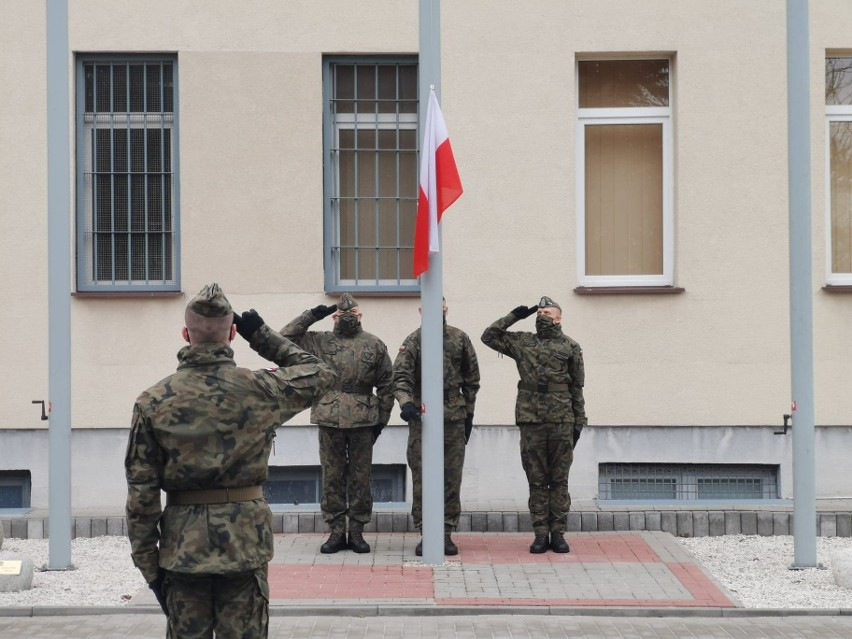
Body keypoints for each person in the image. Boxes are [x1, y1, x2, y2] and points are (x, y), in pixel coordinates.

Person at [125, 283, 336, 639]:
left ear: (185, 333)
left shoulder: (153, 400)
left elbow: (141, 495)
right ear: (233, 334)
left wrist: (150, 568)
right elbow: (321, 373)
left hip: (182, 550)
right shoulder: (260, 389)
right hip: (244, 544)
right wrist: (264, 337)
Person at [281, 293, 393, 554]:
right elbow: (285, 338)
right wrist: (311, 315)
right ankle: (335, 531)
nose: (347, 318)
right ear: (334, 317)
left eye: (352, 314)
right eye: (342, 314)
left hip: (364, 420)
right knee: (332, 477)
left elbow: (387, 384)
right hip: (330, 416)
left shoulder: (374, 344)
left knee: (360, 477)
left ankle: (356, 531)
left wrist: (382, 421)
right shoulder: (319, 341)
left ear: (360, 316)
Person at [481, 296, 586, 554]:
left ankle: (558, 534)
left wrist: (579, 420)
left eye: (547, 312)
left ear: (559, 318)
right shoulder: (523, 342)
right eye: (539, 312)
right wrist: (514, 316)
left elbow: (577, 387)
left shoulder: (570, 346)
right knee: (537, 480)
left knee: (559, 480)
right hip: (531, 419)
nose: (541, 315)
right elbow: (489, 336)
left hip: (562, 419)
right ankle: (540, 534)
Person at [392, 298, 480, 556]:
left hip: (453, 417)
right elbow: (401, 377)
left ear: (446, 309)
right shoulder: (414, 341)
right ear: (421, 311)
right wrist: (406, 403)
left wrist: (469, 414)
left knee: (451, 477)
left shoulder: (459, 338)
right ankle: (426, 532)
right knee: (422, 477)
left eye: (440, 307)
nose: (435, 311)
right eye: (429, 307)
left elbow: (472, 379)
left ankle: (445, 532)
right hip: (423, 418)